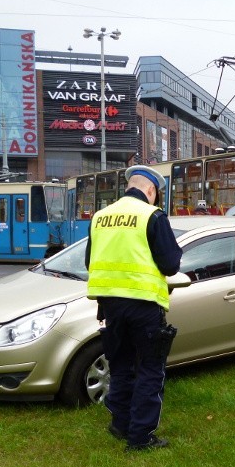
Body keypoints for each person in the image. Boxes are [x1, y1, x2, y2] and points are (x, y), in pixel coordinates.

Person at [85, 165, 183, 451]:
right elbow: (170, 264)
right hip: (144, 307)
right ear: (151, 190)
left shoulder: (100, 218)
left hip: (110, 308)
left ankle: (120, 423)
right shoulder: (152, 216)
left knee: (121, 366)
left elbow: (90, 262)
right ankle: (140, 437)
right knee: (150, 369)